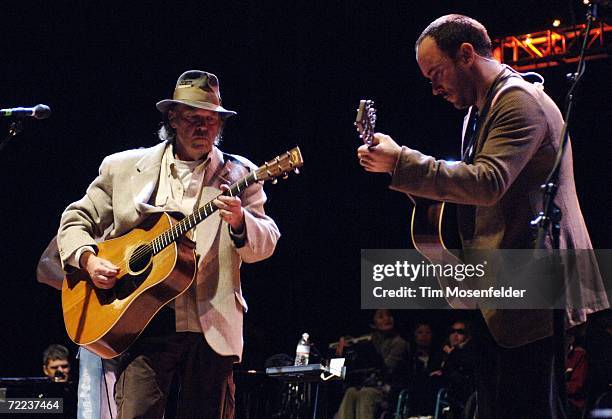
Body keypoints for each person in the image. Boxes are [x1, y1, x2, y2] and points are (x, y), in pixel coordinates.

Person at [356, 14, 610, 418]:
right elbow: (468, 193)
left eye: (436, 72)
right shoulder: (477, 111)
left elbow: (489, 182)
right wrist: (398, 171)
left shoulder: (518, 101)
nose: (434, 87)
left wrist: (401, 161)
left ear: (466, 54)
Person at [56, 70, 280, 419]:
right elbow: (75, 221)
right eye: (193, 118)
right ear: (172, 118)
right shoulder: (123, 168)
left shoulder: (240, 175)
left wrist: (240, 221)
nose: (203, 128)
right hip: (143, 324)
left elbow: (265, 244)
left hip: (211, 325)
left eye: (211, 120)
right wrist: (88, 259)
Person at [37, 238, 118, 419]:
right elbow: (45, 267)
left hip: (141, 321)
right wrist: (88, 290)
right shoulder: (84, 218)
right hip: (100, 325)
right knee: (96, 406)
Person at [336, 309, 409, 419]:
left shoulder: (399, 343)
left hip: (388, 389)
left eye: (389, 315)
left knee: (366, 393)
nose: (387, 319)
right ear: (372, 324)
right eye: (381, 316)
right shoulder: (367, 340)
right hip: (366, 386)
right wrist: (342, 354)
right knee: (350, 392)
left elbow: (388, 369)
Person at [430, 320, 478, 418]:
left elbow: (467, 369)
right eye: (453, 331)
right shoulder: (443, 349)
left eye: (460, 332)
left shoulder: (469, 351)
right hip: (444, 384)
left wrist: (452, 354)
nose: (455, 335)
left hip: (462, 388)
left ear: (467, 335)